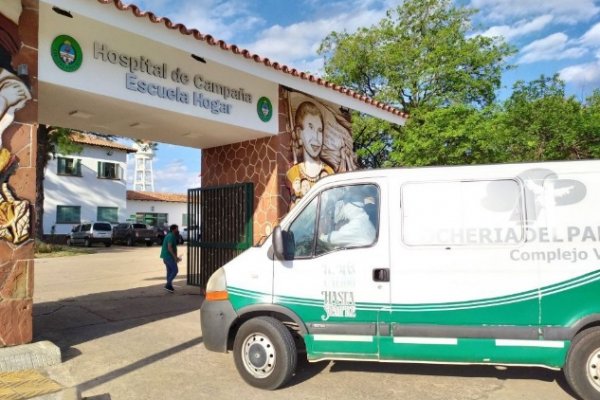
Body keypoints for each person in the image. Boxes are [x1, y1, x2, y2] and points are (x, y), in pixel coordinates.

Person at [286, 101, 334, 207]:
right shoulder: (293, 173)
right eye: (311, 128)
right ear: (299, 133)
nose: (316, 138)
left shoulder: (329, 172)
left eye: (320, 130)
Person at [160, 224, 181, 293]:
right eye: (177, 229)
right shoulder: (171, 236)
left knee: (169, 271)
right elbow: (169, 247)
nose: (178, 230)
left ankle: (169, 286)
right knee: (175, 270)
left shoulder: (169, 235)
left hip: (165, 256)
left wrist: (176, 257)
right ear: (173, 229)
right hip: (169, 257)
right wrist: (175, 257)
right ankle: (168, 284)